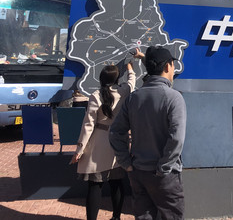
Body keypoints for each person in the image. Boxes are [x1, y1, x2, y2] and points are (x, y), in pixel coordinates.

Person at [109, 46, 186, 220]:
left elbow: (115, 132)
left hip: (138, 172)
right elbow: (176, 138)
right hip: (165, 175)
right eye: (172, 64)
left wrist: (126, 163)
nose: (173, 69)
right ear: (167, 66)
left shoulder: (134, 97)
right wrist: (164, 167)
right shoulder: (174, 97)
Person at [70, 51, 140, 220]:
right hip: (119, 142)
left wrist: (79, 149)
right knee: (117, 183)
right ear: (116, 79)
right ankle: (116, 217)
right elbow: (131, 82)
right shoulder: (123, 91)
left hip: (99, 142)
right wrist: (130, 68)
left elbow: (88, 125)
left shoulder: (96, 96)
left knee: (95, 186)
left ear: (101, 79)